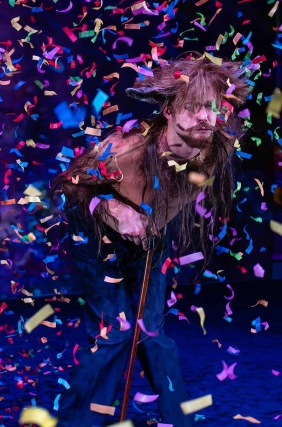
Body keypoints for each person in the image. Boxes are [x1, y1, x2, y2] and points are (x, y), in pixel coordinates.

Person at [54, 57, 249, 426]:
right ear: (171, 110)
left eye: (213, 108)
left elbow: (176, 195)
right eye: (193, 107)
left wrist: (151, 223)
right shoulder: (126, 149)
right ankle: (80, 421)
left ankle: (176, 420)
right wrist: (116, 209)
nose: (205, 117)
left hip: (153, 235)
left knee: (153, 333)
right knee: (115, 333)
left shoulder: (216, 147)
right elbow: (69, 184)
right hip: (99, 235)